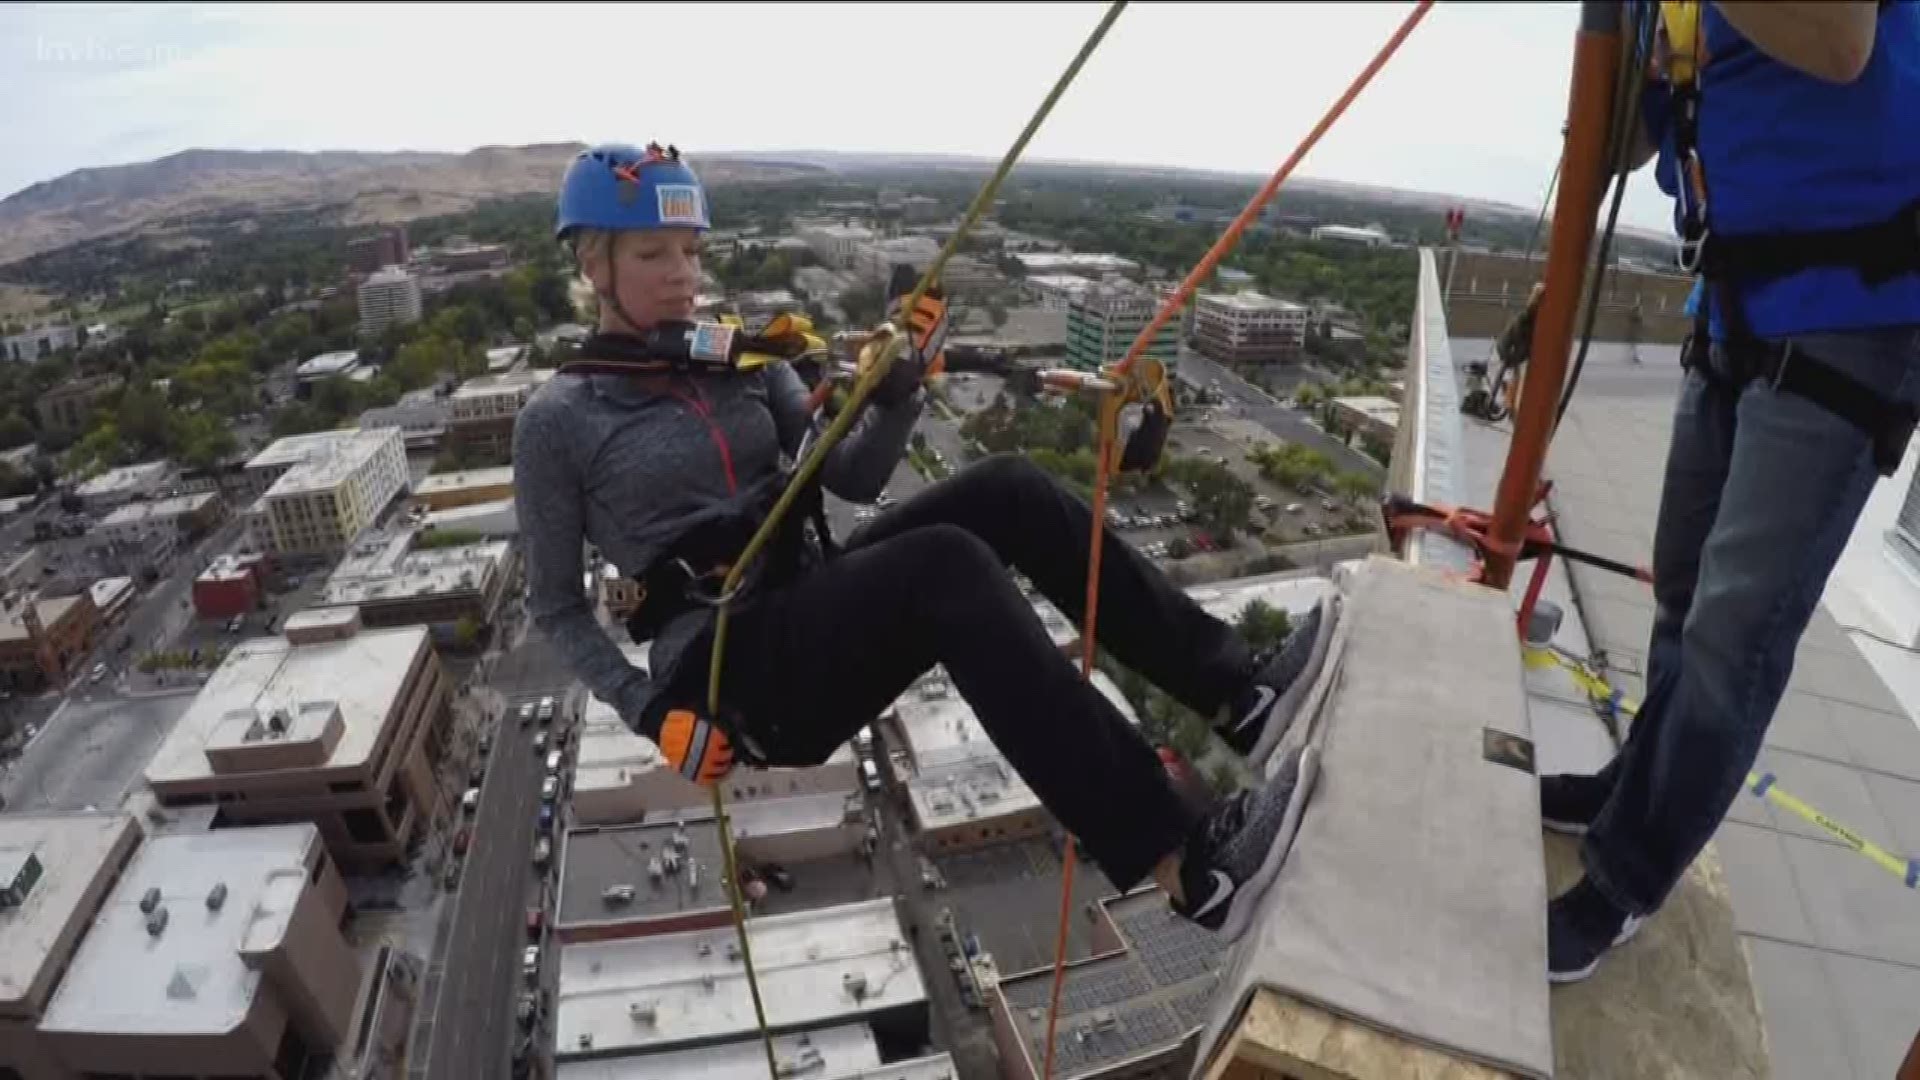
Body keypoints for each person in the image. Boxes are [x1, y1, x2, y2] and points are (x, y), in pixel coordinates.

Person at [512, 142, 1341, 941]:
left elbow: (849, 477)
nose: (685, 275)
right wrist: (649, 712)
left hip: (807, 601)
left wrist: (899, 391)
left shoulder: (743, 359)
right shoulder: (560, 421)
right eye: (654, 253)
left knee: (1007, 488)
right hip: (729, 669)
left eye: (691, 250)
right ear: (592, 264)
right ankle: (1193, 868)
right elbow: (554, 604)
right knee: (944, 569)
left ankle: (1240, 694)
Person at [1540, 1, 1920, 982]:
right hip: (1740, 289)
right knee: (1683, 588)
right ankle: (1640, 787)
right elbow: (1626, 136)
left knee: (1732, 631)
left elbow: (1841, 44)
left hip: (1860, 303)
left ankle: (1625, 879)